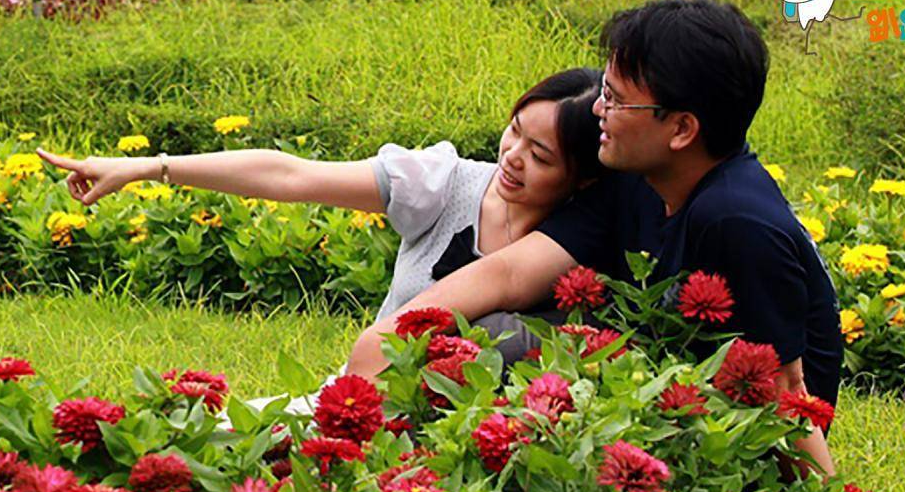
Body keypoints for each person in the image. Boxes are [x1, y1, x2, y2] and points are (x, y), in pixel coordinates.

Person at [348, 0, 842, 477]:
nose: (598, 110)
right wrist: (390, 334)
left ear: (681, 129)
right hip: (652, 389)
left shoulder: (735, 220)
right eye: (605, 88)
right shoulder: (636, 176)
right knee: (497, 328)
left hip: (730, 439)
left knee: (507, 348)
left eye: (617, 99)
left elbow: (784, 389)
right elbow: (510, 272)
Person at [39, 68, 606, 368]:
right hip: (369, 395)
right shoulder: (444, 184)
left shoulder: (591, 239)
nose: (512, 157)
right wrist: (149, 167)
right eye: (514, 132)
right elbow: (290, 176)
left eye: (540, 156)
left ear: (584, 175)